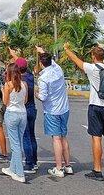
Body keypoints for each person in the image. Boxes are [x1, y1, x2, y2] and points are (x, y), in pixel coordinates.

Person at [64, 43, 104, 181]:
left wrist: (67, 49)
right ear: (103, 56)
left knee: (96, 138)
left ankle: (97, 170)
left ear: (93, 56)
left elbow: (75, 59)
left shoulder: (91, 68)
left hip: (96, 106)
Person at [36, 47, 73, 178]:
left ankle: (58, 168)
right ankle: (68, 166)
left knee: (56, 139)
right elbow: (50, 60)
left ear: (41, 63)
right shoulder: (58, 69)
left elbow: (43, 97)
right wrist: (42, 50)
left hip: (52, 110)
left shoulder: (43, 78)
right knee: (63, 136)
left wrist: (37, 94)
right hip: (64, 108)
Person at [9, 49, 38, 174]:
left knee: (25, 137)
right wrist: (13, 54)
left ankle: (29, 164)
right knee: (32, 135)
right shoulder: (30, 76)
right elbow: (21, 63)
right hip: (33, 108)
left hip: (24, 109)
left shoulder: (21, 82)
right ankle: (34, 161)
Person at [1, 63, 28, 183]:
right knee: (19, 142)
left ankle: (20, 173)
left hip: (11, 113)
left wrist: (3, 91)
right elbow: (26, 100)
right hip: (22, 113)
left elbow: (5, 102)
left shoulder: (8, 85)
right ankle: (12, 168)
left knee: (15, 145)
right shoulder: (24, 84)